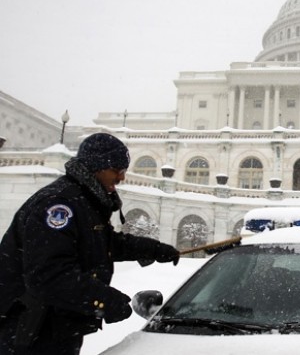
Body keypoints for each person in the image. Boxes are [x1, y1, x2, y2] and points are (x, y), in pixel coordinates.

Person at [0, 133, 181, 355]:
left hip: (56, 326)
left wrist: (153, 249)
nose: (122, 177)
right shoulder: (59, 205)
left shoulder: (84, 201)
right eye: (117, 169)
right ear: (97, 166)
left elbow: (104, 242)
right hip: (28, 332)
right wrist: (105, 300)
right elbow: (49, 276)